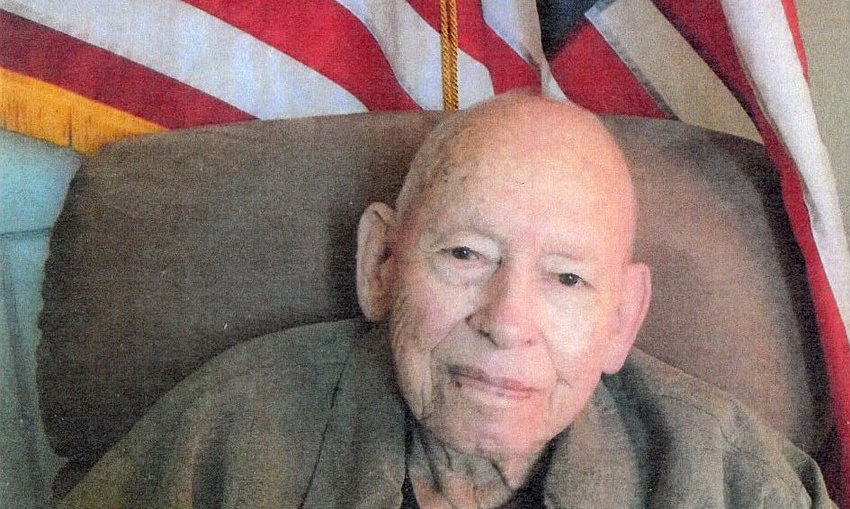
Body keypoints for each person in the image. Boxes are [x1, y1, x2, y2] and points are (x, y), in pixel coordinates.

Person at [59, 95, 835, 507]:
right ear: (382, 263)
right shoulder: (230, 434)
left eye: (566, 279)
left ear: (622, 320)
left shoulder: (727, 477)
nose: (506, 321)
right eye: (467, 255)